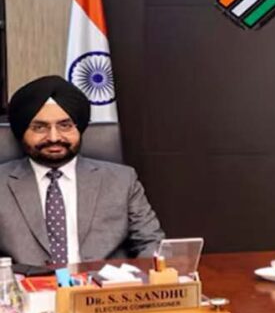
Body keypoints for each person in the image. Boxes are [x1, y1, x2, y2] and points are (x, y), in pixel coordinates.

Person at [0, 76, 164, 266]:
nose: (54, 137)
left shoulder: (121, 180)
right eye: (40, 127)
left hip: (102, 283)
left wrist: (140, 278)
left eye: (65, 126)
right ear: (22, 131)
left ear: (79, 128)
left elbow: (151, 242)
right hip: (23, 283)